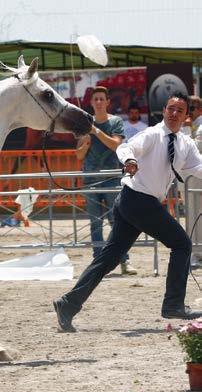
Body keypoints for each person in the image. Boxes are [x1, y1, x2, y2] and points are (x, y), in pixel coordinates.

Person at [54, 93, 202, 332]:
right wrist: (130, 161)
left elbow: (198, 168)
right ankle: (173, 304)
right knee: (182, 244)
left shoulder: (185, 144)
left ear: (187, 116)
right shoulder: (153, 134)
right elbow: (125, 147)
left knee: (108, 259)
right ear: (164, 111)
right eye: (171, 109)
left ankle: (67, 304)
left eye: (180, 110)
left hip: (134, 202)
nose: (174, 114)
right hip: (137, 200)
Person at [76, 86, 137, 275]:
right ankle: (98, 262)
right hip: (91, 179)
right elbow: (79, 155)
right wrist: (85, 143)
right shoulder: (84, 123)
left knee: (116, 222)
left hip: (112, 178)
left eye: (102, 99)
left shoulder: (116, 122)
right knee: (95, 223)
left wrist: (95, 132)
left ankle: (123, 260)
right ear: (92, 103)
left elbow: (116, 145)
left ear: (108, 102)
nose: (99, 102)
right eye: (96, 99)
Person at [185, 96, 202, 267]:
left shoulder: (200, 126)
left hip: (197, 180)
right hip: (192, 179)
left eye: (192, 107)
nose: (188, 111)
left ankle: (196, 254)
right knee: (193, 215)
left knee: (194, 216)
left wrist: (187, 129)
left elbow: (194, 149)